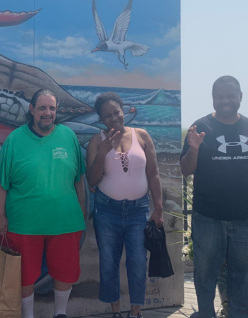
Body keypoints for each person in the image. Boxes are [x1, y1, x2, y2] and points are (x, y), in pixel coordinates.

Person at [180, 76, 248, 318]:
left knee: (244, 277)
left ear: (240, 97)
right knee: (204, 275)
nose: (225, 101)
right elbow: (186, 169)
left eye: (231, 95)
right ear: (213, 98)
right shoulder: (199, 127)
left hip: (245, 219)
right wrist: (194, 148)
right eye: (220, 96)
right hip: (208, 218)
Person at [0, 89, 87, 318]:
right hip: (24, 223)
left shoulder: (68, 137)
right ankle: (28, 315)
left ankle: (60, 313)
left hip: (65, 221)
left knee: (65, 272)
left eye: (52, 108)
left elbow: (79, 179)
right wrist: (0, 217)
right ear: (31, 109)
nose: (48, 113)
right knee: (24, 274)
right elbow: (1, 183)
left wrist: (82, 211)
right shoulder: (15, 139)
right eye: (42, 108)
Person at [86, 92, 164, 318]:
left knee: (138, 262)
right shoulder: (96, 141)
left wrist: (158, 208)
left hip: (138, 211)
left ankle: (135, 312)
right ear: (101, 119)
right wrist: (102, 153)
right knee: (108, 263)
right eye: (107, 116)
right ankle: (116, 311)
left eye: (116, 113)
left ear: (123, 111)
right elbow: (91, 179)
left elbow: (154, 174)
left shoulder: (142, 135)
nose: (113, 118)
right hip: (107, 211)